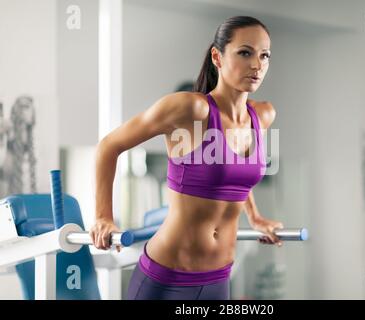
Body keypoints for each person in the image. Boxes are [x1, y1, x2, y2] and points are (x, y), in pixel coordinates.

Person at [89, 15, 284, 300]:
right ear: (217, 57)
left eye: (264, 55)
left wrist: (255, 217)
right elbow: (109, 146)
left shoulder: (263, 115)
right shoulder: (190, 109)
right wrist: (102, 216)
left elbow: (236, 176)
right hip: (165, 277)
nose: (257, 65)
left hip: (218, 279)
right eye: (245, 53)